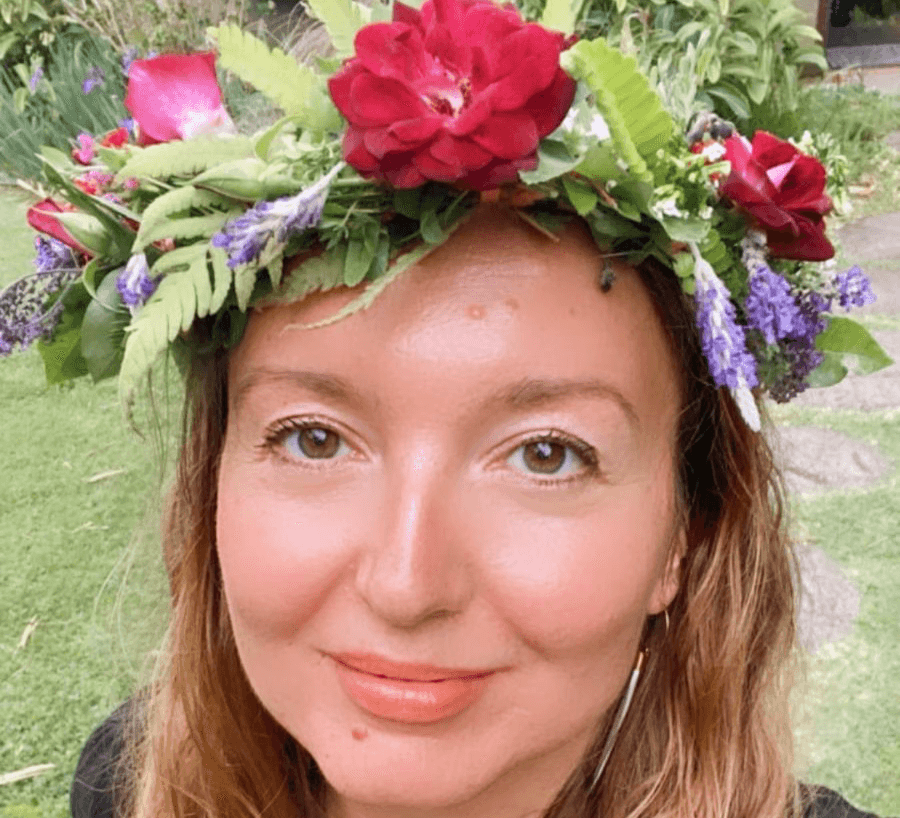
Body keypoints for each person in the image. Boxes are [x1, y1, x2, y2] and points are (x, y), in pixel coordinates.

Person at [2, 0, 889, 816]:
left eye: (548, 454)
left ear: (684, 532)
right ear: (213, 482)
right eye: (313, 438)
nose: (406, 584)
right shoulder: (127, 779)